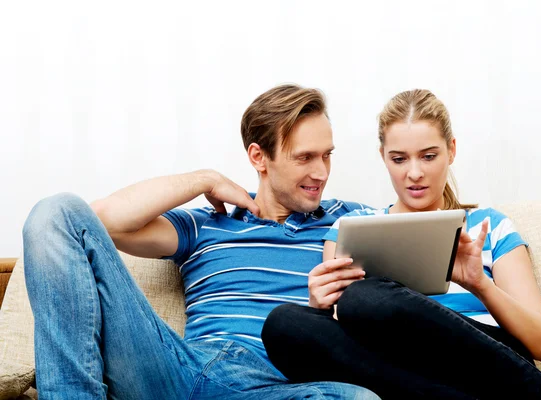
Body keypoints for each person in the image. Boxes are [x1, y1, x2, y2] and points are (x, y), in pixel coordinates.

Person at [22, 84, 381, 399]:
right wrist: (203, 179)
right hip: (175, 369)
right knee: (56, 211)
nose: (321, 172)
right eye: (304, 157)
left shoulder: (353, 222)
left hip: (272, 386)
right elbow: (98, 221)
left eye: (327, 155)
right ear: (259, 157)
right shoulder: (208, 223)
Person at [262, 89, 541, 400]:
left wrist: (479, 284)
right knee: (284, 325)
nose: (415, 173)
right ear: (383, 158)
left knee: (365, 296)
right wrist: (323, 306)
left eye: (429, 156)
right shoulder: (352, 226)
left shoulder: (489, 225)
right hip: (402, 374)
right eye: (399, 159)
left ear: (451, 150)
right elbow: (343, 341)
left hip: (493, 365)